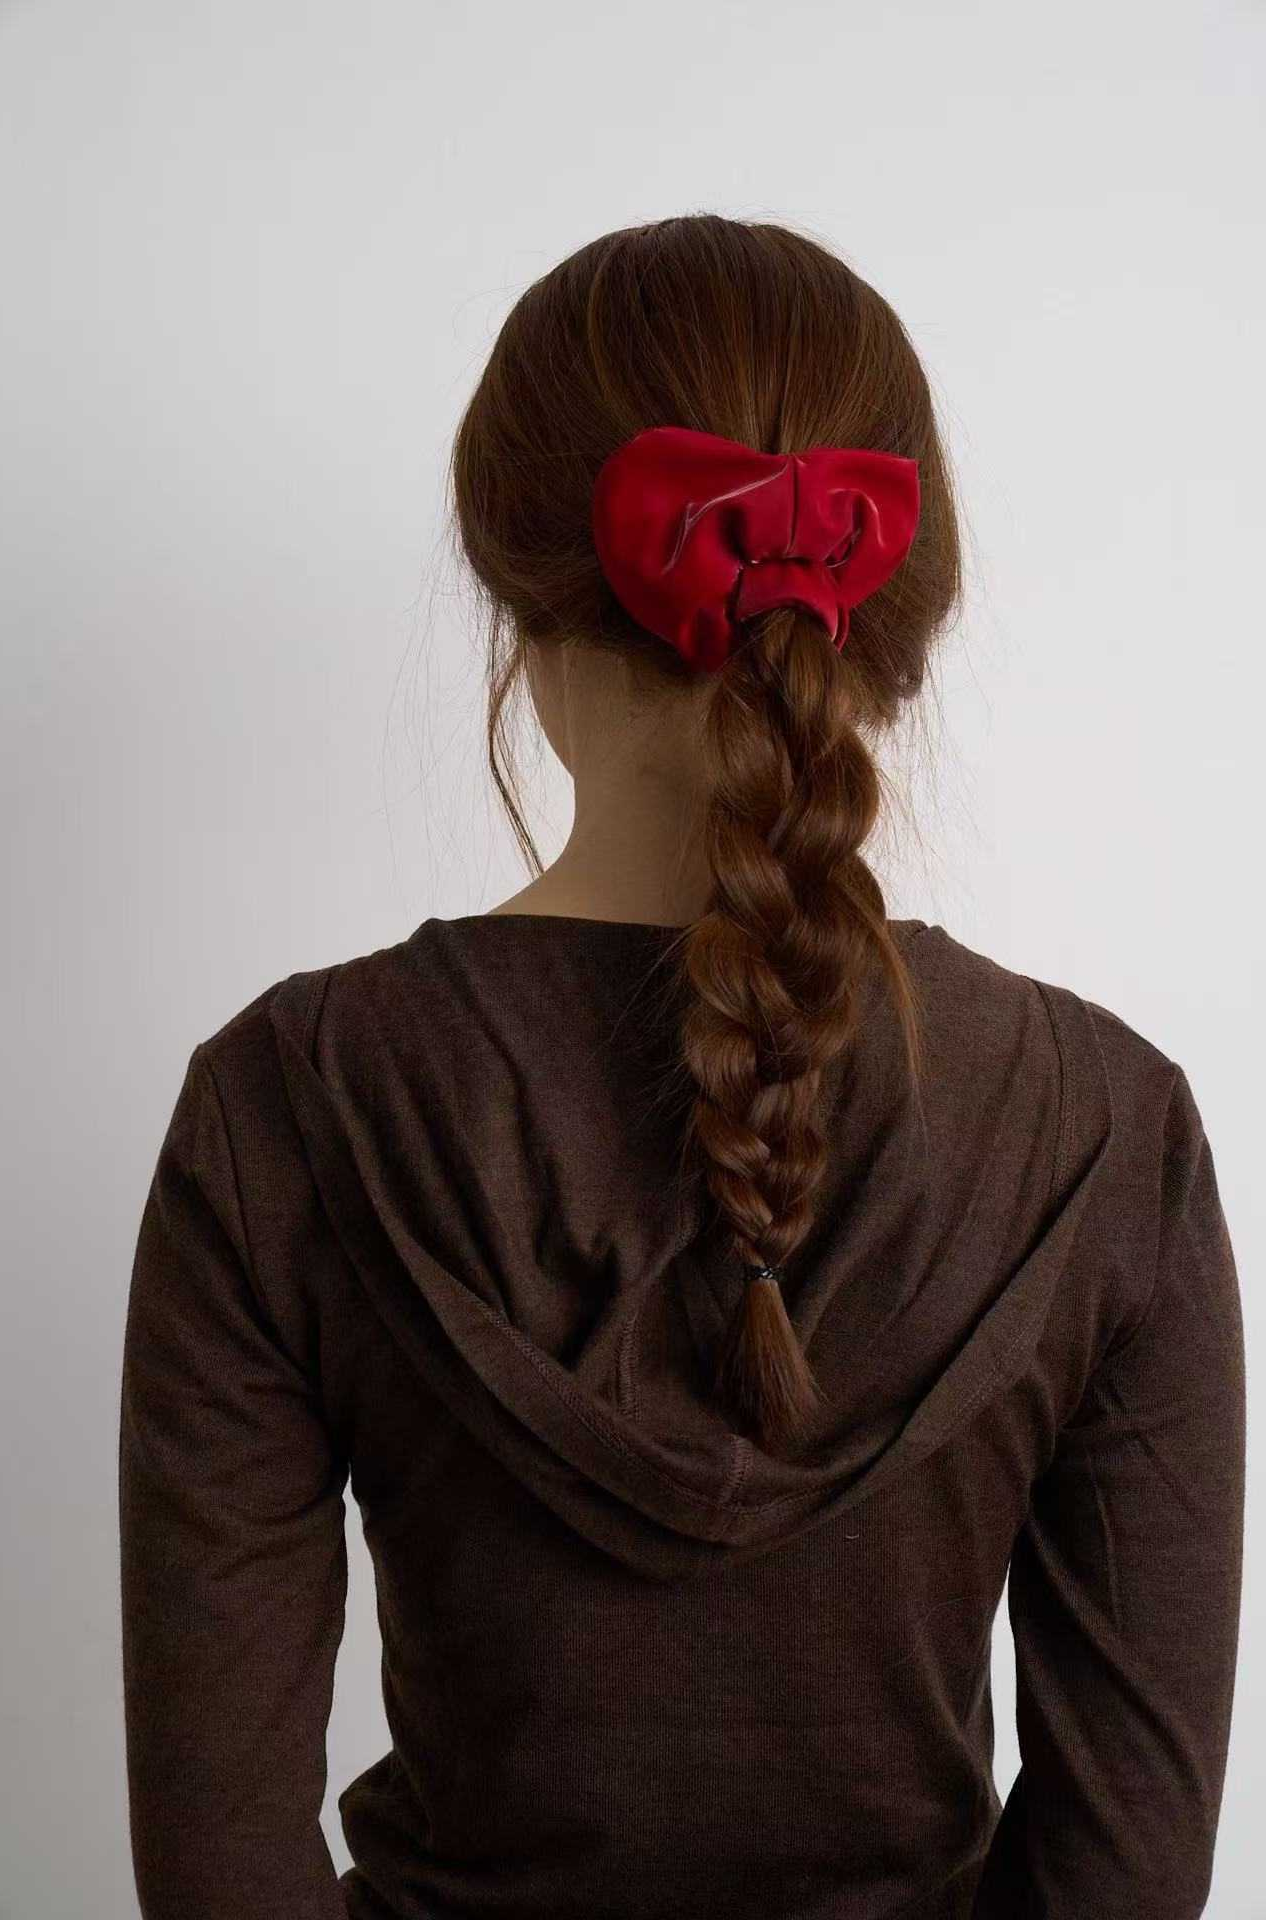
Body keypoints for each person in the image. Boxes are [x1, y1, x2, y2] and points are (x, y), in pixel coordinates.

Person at [118, 213, 1246, 1919]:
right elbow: (1127, 1869)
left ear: (519, 601)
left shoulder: (289, 1099)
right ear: (896, 615)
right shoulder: (1104, 1128)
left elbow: (220, 1865)